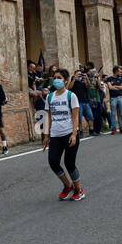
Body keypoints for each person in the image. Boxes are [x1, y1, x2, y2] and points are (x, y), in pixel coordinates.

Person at [43, 69, 85, 201]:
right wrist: (46, 135)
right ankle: (67, 186)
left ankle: (79, 189)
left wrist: (74, 134)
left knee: (69, 163)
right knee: (53, 162)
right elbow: (48, 117)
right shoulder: (49, 97)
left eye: (59, 77)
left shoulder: (71, 96)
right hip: (55, 134)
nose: (56, 80)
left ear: (65, 80)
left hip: (69, 133)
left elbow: (75, 116)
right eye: (54, 77)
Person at [106, 66, 122, 134]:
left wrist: (115, 86)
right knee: (113, 114)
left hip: (121, 97)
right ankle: (113, 128)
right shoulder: (109, 79)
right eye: (119, 71)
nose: (121, 72)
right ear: (116, 71)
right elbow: (110, 87)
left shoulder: (121, 79)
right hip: (113, 98)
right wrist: (119, 87)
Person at [71, 69, 93, 137]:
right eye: (78, 74)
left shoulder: (84, 81)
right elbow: (70, 87)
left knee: (90, 117)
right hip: (78, 102)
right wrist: (74, 78)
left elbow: (89, 86)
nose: (79, 75)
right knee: (79, 118)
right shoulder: (74, 81)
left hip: (86, 102)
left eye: (80, 74)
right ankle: (80, 132)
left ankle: (91, 130)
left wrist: (86, 78)